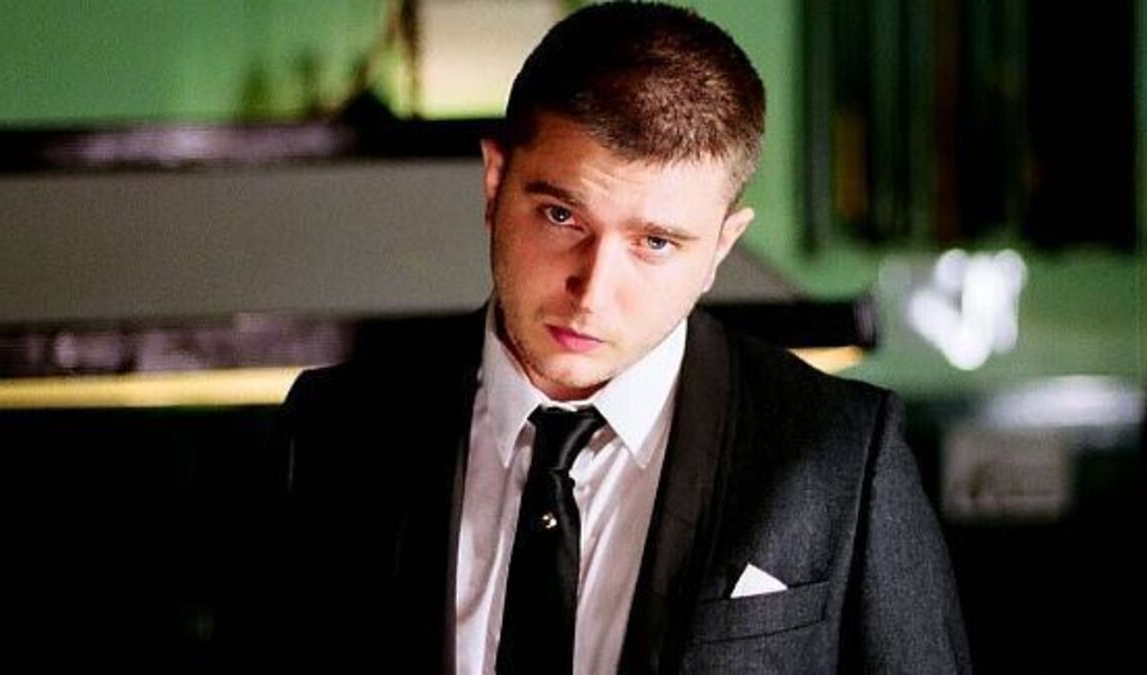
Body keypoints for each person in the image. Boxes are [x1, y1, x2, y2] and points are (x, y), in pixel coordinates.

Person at [239, 3, 971, 673]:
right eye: (562, 217)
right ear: (495, 184)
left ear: (720, 248)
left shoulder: (839, 454)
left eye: (655, 242)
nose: (592, 292)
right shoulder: (333, 432)